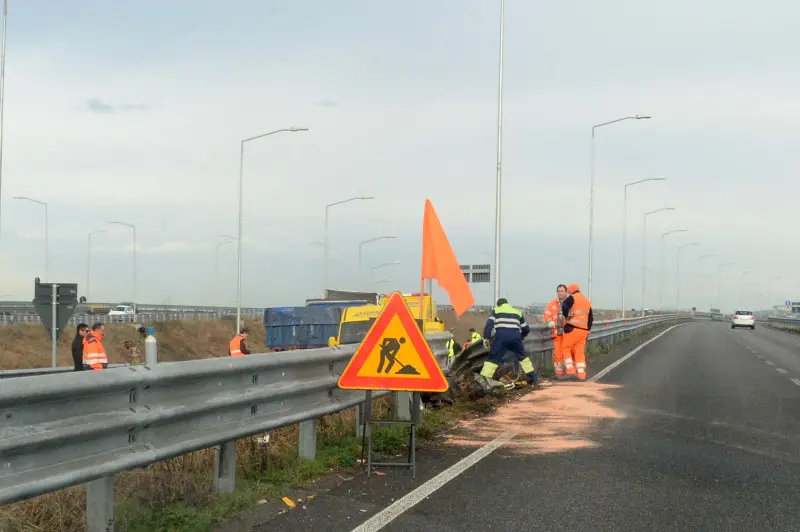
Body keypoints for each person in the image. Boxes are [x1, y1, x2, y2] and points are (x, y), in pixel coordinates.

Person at [479, 298, 542, 387]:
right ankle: (533, 378)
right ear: (507, 304)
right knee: (523, 358)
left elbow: (489, 325)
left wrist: (486, 338)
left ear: (498, 305)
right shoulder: (517, 312)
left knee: (492, 360)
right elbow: (526, 329)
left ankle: (484, 382)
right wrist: (521, 336)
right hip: (515, 339)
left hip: (501, 339)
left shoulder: (496, 311)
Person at [560, 283, 593, 380]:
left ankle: (570, 369)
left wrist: (567, 317)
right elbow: (590, 318)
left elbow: (564, 307)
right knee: (579, 352)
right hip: (584, 331)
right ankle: (581, 373)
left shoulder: (572, 298)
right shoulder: (586, 301)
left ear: (570, 291)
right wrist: (588, 329)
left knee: (565, 348)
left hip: (573, 328)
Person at [543, 284, 569, 377]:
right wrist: (549, 321)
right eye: (559, 291)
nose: (560, 293)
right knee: (557, 352)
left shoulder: (571, 303)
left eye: (562, 291)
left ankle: (569, 370)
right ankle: (559, 372)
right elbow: (547, 314)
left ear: (566, 292)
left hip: (568, 332)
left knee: (568, 352)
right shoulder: (552, 303)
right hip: (557, 332)